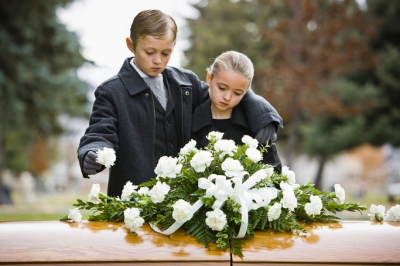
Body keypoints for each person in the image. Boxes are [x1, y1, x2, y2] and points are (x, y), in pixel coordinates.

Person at [77, 10, 282, 197]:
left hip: (182, 204)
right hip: (133, 205)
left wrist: (263, 115)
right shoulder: (112, 91)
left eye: (166, 53)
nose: (158, 60)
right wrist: (92, 151)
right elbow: (99, 132)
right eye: (150, 52)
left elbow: (226, 89)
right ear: (131, 45)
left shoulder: (186, 83)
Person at [191, 51, 282, 172]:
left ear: (246, 92)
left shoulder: (256, 127)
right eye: (222, 88)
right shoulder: (188, 116)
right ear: (209, 78)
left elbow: (275, 175)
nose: (227, 97)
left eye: (237, 93)